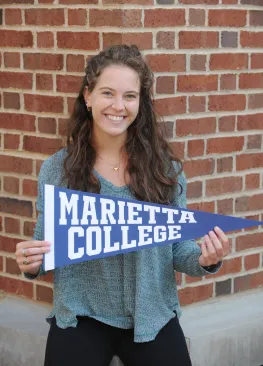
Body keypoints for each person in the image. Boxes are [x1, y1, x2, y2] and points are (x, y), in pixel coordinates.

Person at [15, 44, 230, 366]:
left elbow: (179, 249)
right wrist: (31, 263)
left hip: (152, 315)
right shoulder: (57, 170)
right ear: (88, 96)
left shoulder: (165, 171)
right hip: (81, 315)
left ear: (140, 103)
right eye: (107, 93)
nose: (118, 106)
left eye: (130, 96)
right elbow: (47, 249)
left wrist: (204, 258)